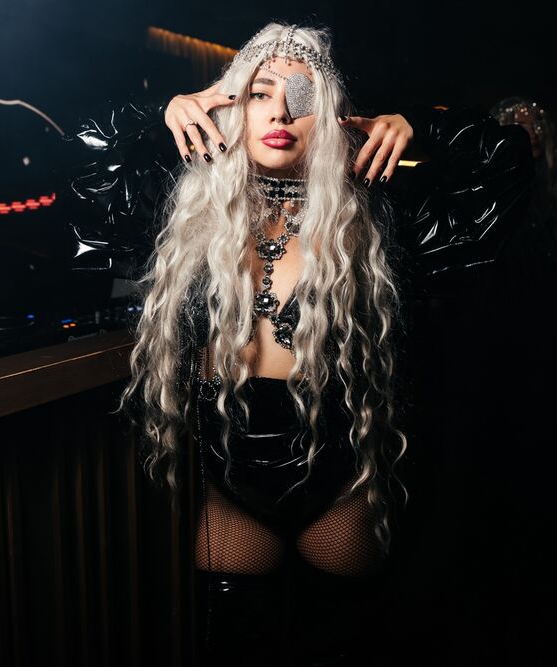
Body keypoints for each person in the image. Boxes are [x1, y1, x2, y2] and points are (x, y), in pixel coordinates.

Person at [111, 23, 533, 665]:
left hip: (341, 482)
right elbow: (83, 161)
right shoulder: (191, 215)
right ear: (229, 108)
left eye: (303, 97)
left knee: (339, 642)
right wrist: (160, 114)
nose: (281, 112)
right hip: (230, 487)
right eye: (260, 93)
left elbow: (509, 161)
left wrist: (419, 124)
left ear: (333, 117)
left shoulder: (378, 220)